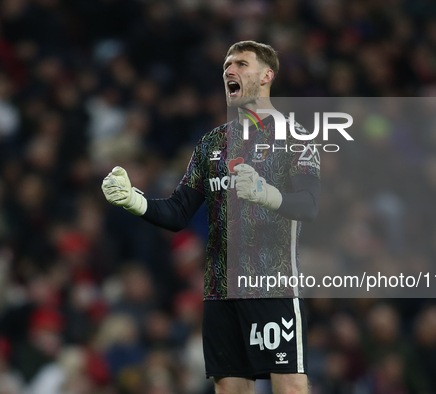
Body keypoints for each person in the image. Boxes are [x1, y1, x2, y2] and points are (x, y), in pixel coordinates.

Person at [102, 41, 320, 394]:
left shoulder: (295, 137)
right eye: (226, 66)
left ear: (267, 76)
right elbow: (177, 212)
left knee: (292, 387)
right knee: (229, 390)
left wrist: (266, 193)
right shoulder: (210, 144)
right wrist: (135, 201)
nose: (229, 71)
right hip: (220, 292)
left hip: (271, 286)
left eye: (241, 64)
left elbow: (309, 205)